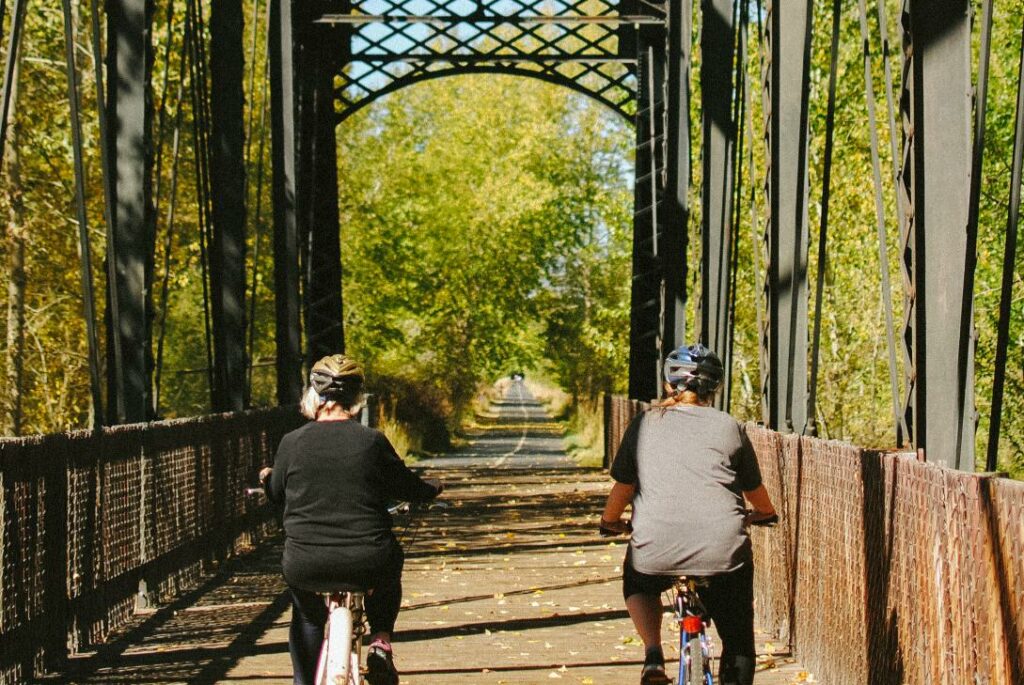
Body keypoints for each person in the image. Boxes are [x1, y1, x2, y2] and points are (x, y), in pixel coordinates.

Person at [599, 344, 777, 685]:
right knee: (738, 638)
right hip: (722, 551)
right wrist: (765, 514)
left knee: (637, 579)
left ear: (669, 384)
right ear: (714, 387)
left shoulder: (645, 423)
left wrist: (609, 523)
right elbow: (755, 492)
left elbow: (622, 488)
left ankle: (653, 655)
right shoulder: (729, 426)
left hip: (655, 549)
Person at [259, 354, 442, 685]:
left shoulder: (291, 443)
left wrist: (267, 478)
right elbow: (406, 486)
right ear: (358, 399)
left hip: (306, 562)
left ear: (312, 395)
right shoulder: (372, 441)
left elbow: (275, 492)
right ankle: (381, 642)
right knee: (390, 564)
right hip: (367, 560)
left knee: (308, 617)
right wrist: (430, 489)